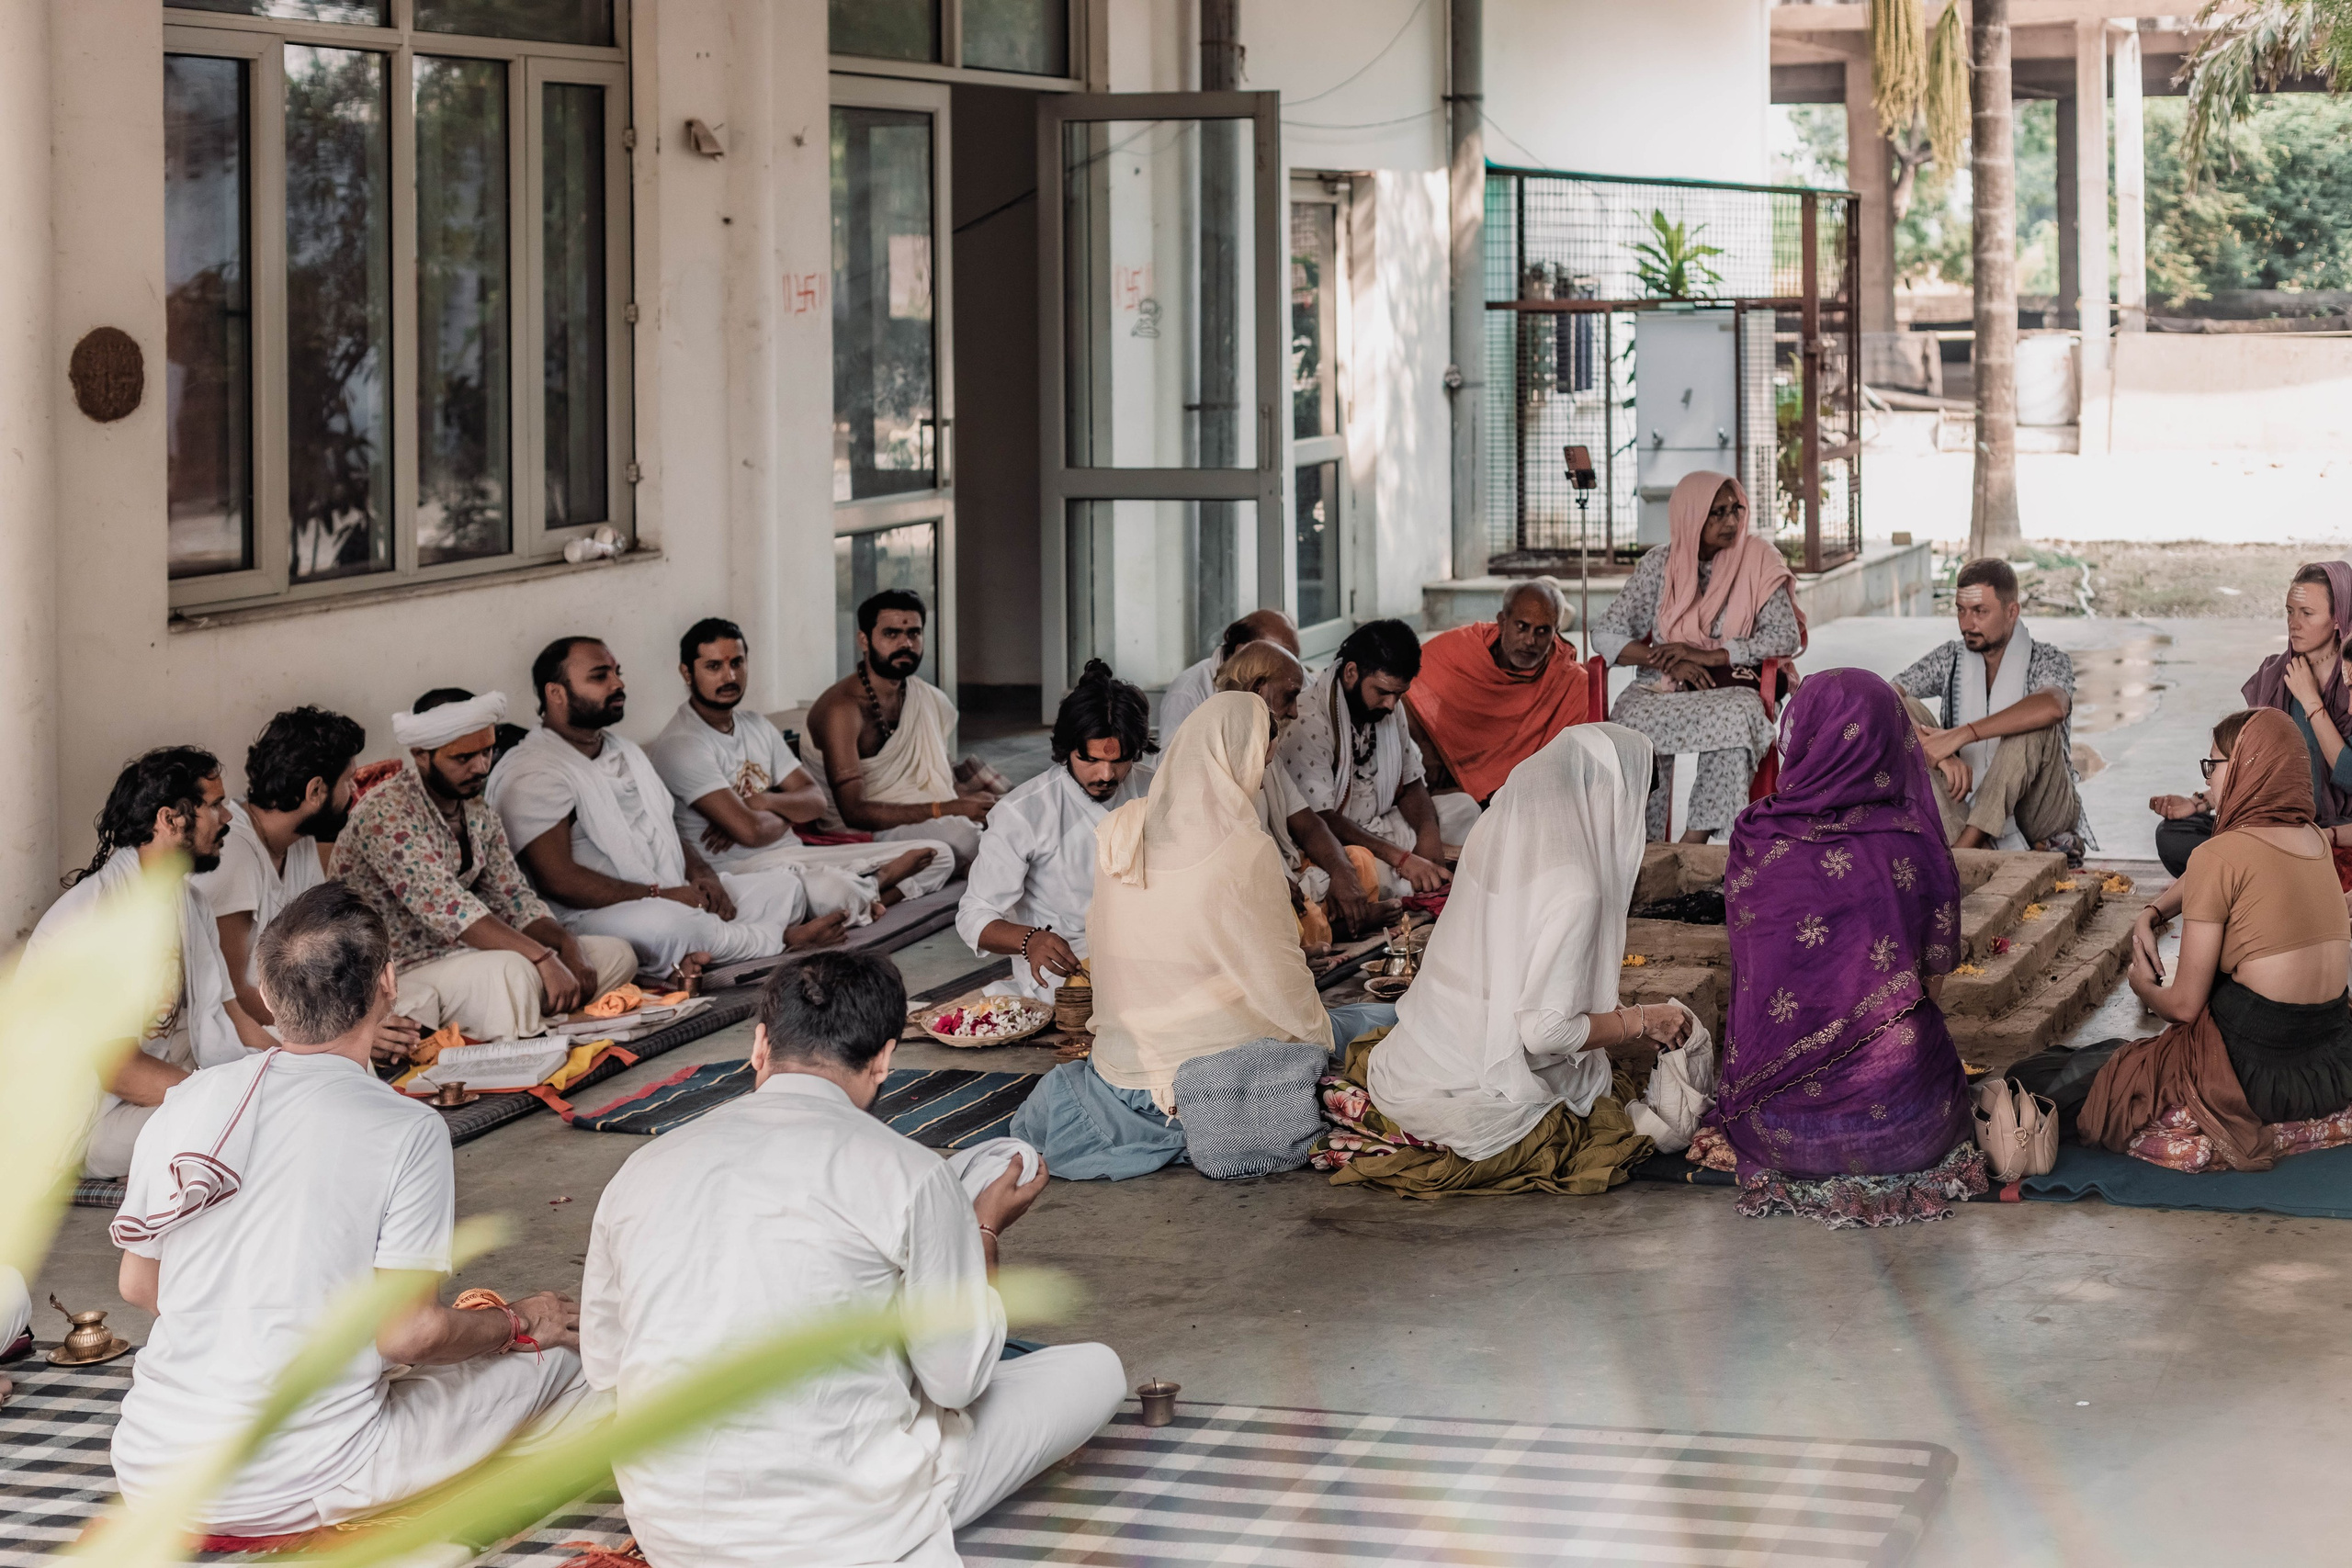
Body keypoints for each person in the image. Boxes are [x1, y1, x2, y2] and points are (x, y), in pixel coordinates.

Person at [581, 951, 1125, 1568]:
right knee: (1094, 1369)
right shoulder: (911, 1173)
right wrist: (984, 1228)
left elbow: (605, 1368)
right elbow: (957, 1381)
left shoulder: (641, 1168)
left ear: (760, 1044)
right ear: (886, 1057)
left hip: (672, 1526)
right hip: (847, 1531)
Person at [109, 886, 601, 1536]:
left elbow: (138, 1285)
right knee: (571, 1362)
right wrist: (519, 1320)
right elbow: (409, 1336)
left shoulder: (191, 1100)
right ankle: (445, 1516)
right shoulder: (406, 1128)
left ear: (266, 988)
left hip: (149, 1468)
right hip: (297, 1478)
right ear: (389, 983)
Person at [1012, 693, 1395, 1180]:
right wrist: (1316, 1036)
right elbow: (1285, 988)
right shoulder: (1243, 849)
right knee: (1379, 1020)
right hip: (1214, 1072)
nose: (1259, 779)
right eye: (1261, 763)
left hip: (1122, 1068)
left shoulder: (1121, 829)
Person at [1321, 723, 1677, 1197]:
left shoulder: (1497, 832)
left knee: (1594, 1077)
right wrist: (1643, 1020)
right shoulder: (1577, 892)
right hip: (1477, 1083)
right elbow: (1545, 1032)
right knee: (1593, 1112)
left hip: (1423, 1049)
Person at [1701, 670, 1980, 1223]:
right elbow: (1932, 980)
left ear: (1801, 736)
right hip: (1911, 1121)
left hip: (1777, 1125)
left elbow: (1753, 978)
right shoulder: (1910, 840)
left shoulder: (1757, 838)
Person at [2082, 709, 2352, 1168]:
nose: (2206, 781)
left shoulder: (2219, 855)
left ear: (2249, 766)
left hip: (2250, 1077)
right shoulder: (2315, 840)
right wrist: (2152, 911)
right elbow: (2221, 867)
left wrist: (2142, 986)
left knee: (2075, 1081)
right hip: (2332, 1068)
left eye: (2214, 765)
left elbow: (2185, 1007)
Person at [492, 637, 853, 977]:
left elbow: (664, 825)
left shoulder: (625, 750)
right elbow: (558, 880)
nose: (617, 684)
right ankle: (784, 941)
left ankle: (709, 955)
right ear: (556, 693)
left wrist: (702, 875)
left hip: (667, 889)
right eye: (600, 676)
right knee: (675, 927)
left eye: (618, 672)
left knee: (783, 889)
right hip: (591, 915)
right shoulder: (534, 771)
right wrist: (662, 896)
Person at [26, 749, 280, 1179]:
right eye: (214, 806)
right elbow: (118, 1070)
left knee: (280, 1079)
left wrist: (297, 1066)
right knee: (236, 1122)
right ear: (168, 819)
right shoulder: (98, 919)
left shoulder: (187, 901)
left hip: (147, 1078)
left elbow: (227, 1013)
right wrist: (224, 1094)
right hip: (87, 1121)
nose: (228, 818)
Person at [334, 689, 639, 1042]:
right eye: (462, 758)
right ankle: (535, 1041)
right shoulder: (385, 812)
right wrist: (543, 958)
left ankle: (544, 1024)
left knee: (616, 954)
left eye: (486, 752)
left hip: (469, 957)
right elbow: (452, 909)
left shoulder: (478, 811)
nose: (480, 767)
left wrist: (567, 945)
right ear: (420, 754)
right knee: (513, 971)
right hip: (402, 970)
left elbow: (516, 900)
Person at [648, 615, 955, 922]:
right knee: (837, 893)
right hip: (744, 869)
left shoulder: (755, 724)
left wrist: (764, 801)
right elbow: (751, 831)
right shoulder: (682, 744)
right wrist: (780, 813)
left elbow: (816, 802)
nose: (729, 676)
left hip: (797, 852)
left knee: (939, 853)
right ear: (687, 672)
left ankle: (870, 896)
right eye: (714, 667)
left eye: (737, 663)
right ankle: (874, 885)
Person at [1593, 470, 1804, 844]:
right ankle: (1642, 846)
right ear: (1691, 515)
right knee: (1629, 724)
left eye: (1736, 510)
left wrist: (1714, 655)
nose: (1731, 522)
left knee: (1739, 718)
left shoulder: (1758, 559)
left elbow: (1784, 635)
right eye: (1717, 513)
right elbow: (1606, 633)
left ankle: (1693, 844)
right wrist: (1663, 658)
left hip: (1727, 687)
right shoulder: (1659, 565)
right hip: (1661, 687)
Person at [956, 660, 1156, 1002]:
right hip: (1070, 965)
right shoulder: (1023, 812)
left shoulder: (1156, 790)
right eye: (1090, 760)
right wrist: (1029, 939)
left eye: (1119, 760)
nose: (1106, 775)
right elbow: (974, 915)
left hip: (1152, 949)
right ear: (1066, 750)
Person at [2152, 561, 2352, 877]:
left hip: (2338, 832)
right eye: (2289, 611)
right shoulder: (2274, 674)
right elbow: (2253, 767)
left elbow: (2350, 775)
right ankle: (2257, 880)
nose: (2294, 624)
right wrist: (2201, 803)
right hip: (2276, 828)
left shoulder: (2350, 678)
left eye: (2307, 613)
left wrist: (2311, 701)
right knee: (2175, 836)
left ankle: (2250, 882)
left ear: (2339, 618)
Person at [1891, 557, 2084, 860]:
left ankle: (1967, 849)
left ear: (2012, 612)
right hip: (1965, 802)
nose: (1967, 623)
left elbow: (2054, 705)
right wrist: (1938, 753)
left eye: (1980, 611)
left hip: (2039, 814)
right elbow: (1888, 693)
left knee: (2035, 722)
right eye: (1961, 610)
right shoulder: (1950, 657)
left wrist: (1962, 735)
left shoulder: (2046, 658)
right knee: (1904, 710)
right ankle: (1974, 844)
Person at [1272, 619, 1478, 898]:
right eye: (1382, 692)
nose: (1391, 705)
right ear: (1351, 672)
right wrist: (1402, 859)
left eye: (1399, 694)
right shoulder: (1308, 719)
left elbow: (1412, 783)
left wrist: (1428, 837)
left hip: (1385, 825)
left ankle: (1421, 872)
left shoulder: (1389, 706)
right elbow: (1321, 820)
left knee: (1466, 809)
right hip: (1340, 843)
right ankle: (1414, 877)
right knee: (1377, 878)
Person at [804, 590, 1006, 873]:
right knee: (968, 838)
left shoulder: (929, 698)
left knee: (1013, 821)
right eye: (891, 634)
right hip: (862, 834)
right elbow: (854, 812)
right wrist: (949, 810)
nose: (906, 644)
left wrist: (975, 804)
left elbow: (939, 778)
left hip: (929, 815)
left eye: (914, 633)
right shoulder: (842, 710)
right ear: (864, 639)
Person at [197, 706, 366, 1025]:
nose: (355, 792)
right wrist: (332, 1031)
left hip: (287, 1019)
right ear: (315, 791)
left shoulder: (298, 842)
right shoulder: (234, 853)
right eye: (349, 781)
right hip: (240, 1030)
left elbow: (314, 956)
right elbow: (233, 996)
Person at [1212, 639, 1385, 942]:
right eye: (1290, 697)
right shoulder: (1212, 748)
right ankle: (1337, 929)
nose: (1294, 712)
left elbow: (1308, 823)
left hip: (1287, 874)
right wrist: (1273, 878)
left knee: (1359, 861)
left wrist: (1342, 872)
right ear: (1258, 689)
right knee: (1286, 913)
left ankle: (1331, 926)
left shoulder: (1266, 747)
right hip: (1245, 883)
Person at [1404, 579, 1590, 806]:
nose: (1530, 641)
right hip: (1452, 781)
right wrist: (1429, 752)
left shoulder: (1569, 680)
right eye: (1522, 627)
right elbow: (1405, 684)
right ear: (1502, 621)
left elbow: (1568, 758)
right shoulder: (1467, 646)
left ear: (1556, 632)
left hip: (1523, 796)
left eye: (1543, 631)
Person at [1158, 608, 1301, 743]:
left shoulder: (1289, 676)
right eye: (1280, 657)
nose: (1295, 712)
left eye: (1292, 658)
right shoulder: (1185, 693)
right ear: (1242, 651)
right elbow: (1175, 763)